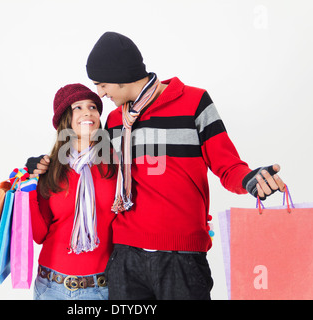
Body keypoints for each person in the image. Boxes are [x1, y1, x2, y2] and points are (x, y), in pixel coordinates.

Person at [28, 32, 285, 300]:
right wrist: (40, 166)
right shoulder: (116, 121)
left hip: (181, 258)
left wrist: (248, 179)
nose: (101, 94)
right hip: (125, 259)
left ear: (119, 76)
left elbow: (228, 165)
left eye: (102, 84)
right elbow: (83, 160)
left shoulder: (195, 103)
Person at [27, 83, 117, 300]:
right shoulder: (50, 169)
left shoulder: (115, 164)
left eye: (93, 107)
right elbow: (38, 236)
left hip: (101, 288)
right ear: (64, 119)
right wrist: (30, 183)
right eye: (78, 107)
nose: (88, 112)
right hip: (50, 286)